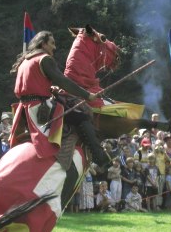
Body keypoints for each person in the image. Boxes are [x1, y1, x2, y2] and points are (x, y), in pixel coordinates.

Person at [9, 30, 106, 165]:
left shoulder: (24, 61)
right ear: (43, 44)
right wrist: (87, 95)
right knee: (82, 117)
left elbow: (31, 85)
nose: (54, 47)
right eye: (52, 43)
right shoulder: (44, 59)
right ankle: (99, 156)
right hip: (40, 108)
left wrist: (49, 89)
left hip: (23, 110)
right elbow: (64, 82)